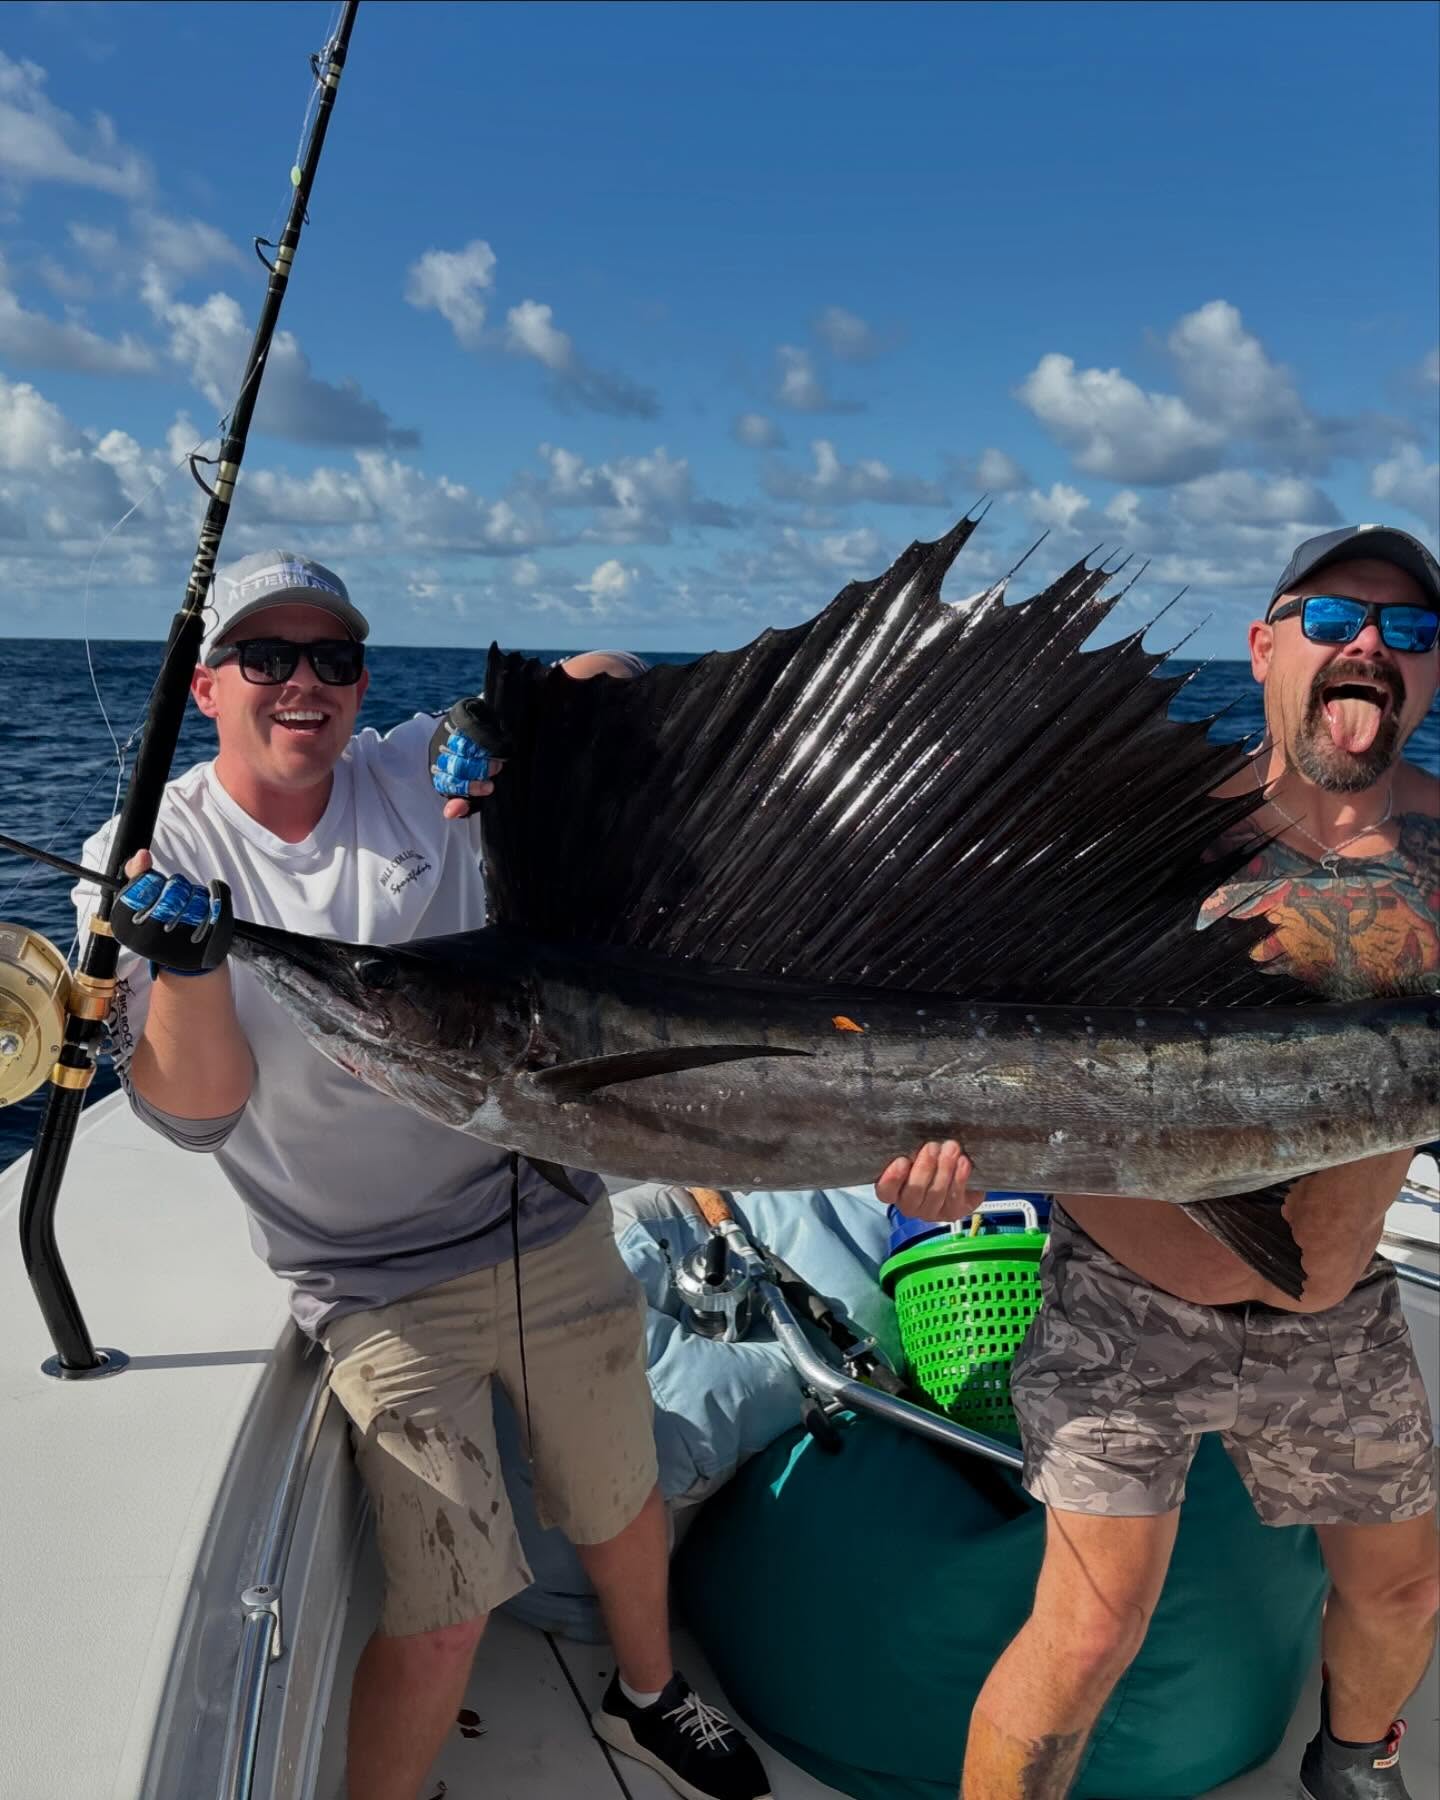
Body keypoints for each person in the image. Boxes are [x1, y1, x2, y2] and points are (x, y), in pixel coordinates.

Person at [75, 550, 772, 1800]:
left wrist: (517, 723)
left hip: (537, 1214)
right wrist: (183, 968)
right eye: (266, 656)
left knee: (622, 1499)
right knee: (449, 1608)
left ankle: (647, 1697)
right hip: (367, 1282)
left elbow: (611, 668)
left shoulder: (409, 769)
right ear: (205, 685)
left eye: (334, 659)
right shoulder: (147, 853)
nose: (305, 683)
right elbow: (195, 1117)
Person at [879, 524, 1440, 1800]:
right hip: (1127, 1303)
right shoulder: (1141, 845)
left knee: (1406, 1589)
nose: (1369, 647)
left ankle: (1356, 1763)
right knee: (1086, 1637)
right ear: (1262, 649)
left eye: (1407, 631)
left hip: (1333, 1308)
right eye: (1332, 620)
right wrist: (934, 1161)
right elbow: (960, 1036)